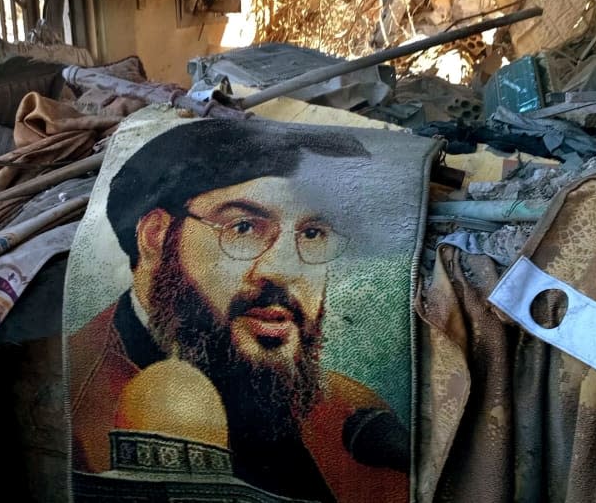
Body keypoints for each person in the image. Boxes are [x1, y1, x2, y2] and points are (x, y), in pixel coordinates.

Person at [68, 119, 408, 503]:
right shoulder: (69, 394)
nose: (285, 270)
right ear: (156, 237)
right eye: (244, 227)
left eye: (313, 234)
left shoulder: (354, 419)